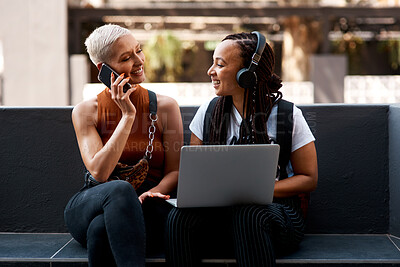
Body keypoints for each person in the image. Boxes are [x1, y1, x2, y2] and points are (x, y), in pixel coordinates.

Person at [166, 32, 318, 267]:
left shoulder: (288, 116)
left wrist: (258, 191)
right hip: (221, 217)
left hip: (276, 215)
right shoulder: (207, 113)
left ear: (247, 74)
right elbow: (194, 175)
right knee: (178, 217)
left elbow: (308, 178)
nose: (210, 71)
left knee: (249, 214)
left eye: (220, 64)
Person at [64, 24, 183, 267]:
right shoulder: (86, 111)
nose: (139, 61)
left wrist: (151, 193)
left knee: (100, 231)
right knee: (120, 190)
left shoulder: (166, 107)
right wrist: (127, 116)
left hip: (149, 204)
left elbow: (175, 171)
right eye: (126, 58)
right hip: (94, 201)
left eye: (139, 51)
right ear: (103, 69)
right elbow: (99, 172)